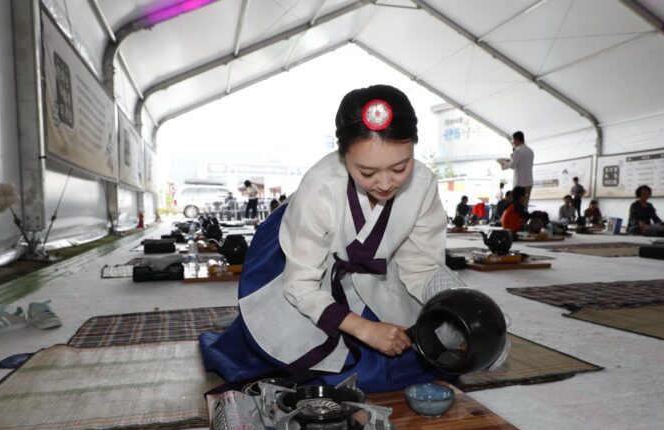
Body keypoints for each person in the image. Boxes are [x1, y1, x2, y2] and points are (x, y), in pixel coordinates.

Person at [200, 85, 501, 393]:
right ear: (343, 156)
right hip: (300, 266)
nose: (385, 183)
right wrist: (366, 329)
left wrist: (469, 310)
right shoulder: (320, 187)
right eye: (367, 172)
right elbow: (301, 284)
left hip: (375, 275)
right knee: (341, 375)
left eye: (400, 167)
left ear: (413, 147)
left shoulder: (422, 184)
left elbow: (421, 267)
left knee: (417, 361)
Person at [500, 131, 534, 199]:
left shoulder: (518, 150)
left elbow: (512, 166)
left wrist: (505, 162)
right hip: (529, 182)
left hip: (519, 183)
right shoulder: (530, 151)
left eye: (513, 140)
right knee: (525, 204)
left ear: (516, 139)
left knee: (517, 204)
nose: (513, 142)